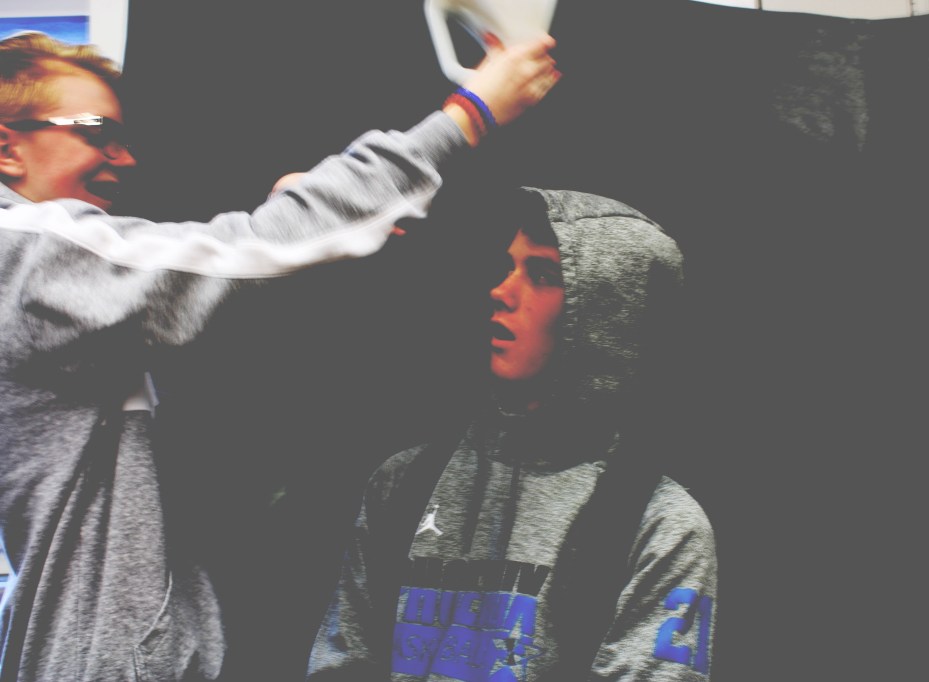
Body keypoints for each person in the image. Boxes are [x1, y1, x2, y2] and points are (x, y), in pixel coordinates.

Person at [0, 31, 559, 682]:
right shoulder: (27, 251)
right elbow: (244, 254)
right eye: (96, 131)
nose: (123, 157)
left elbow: (213, 293)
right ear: (7, 148)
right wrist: (470, 114)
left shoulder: (52, 287)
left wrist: (302, 227)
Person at [306, 187, 717, 681]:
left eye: (542, 276)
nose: (501, 291)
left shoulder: (659, 527)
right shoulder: (404, 483)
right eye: (509, 267)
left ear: (607, 311)